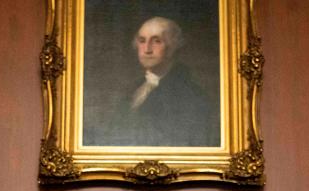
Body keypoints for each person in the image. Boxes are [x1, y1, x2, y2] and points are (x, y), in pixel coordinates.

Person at [89, 16, 219, 147]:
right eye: (142, 41)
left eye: (156, 41)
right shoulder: (134, 89)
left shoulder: (191, 95)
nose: (147, 49)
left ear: (172, 46)